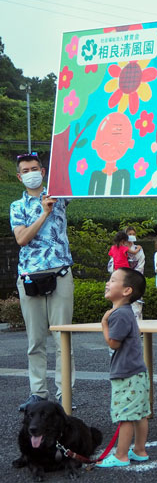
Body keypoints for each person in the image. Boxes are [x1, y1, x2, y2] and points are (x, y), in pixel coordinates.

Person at [11, 153, 75, 411]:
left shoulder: (59, 195)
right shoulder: (17, 206)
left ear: (44, 170)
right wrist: (43, 213)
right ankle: (38, 394)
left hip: (59, 272)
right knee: (35, 340)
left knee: (63, 338)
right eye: (25, 170)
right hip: (29, 276)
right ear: (19, 176)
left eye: (35, 168)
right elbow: (21, 238)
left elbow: (75, 176)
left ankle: (64, 396)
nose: (31, 173)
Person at [97, 267, 150, 467]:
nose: (107, 283)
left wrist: (104, 324)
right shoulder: (127, 312)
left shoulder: (118, 314)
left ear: (127, 290)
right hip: (138, 372)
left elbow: (113, 343)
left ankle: (121, 455)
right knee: (140, 413)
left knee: (126, 415)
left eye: (112, 280)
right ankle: (140, 450)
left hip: (126, 374)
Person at [88, 113, 133, 196]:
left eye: (121, 143)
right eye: (106, 144)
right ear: (95, 144)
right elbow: (90, 195)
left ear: (130, 144)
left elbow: (125, 194)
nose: (113, 148)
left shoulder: (124, 175)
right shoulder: (96, 176)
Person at [125, 226, 145, 321]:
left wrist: (134, 277)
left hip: (135, 281)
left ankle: (138, 331)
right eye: (129, 234)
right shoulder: (120, 249)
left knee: (136, 307)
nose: (132, 236)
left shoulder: (138, 249)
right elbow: (113, 265)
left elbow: (141, 264)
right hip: (122, 281)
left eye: (133, 234)